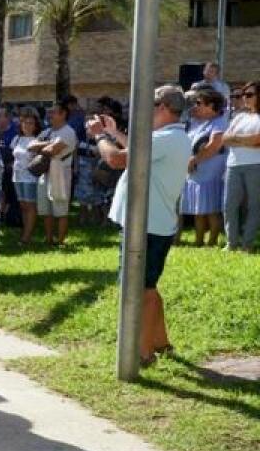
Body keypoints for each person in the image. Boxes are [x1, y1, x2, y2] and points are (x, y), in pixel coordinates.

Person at [90, 85, 191, 366]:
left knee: (140, 290)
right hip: (154, 224)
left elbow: (116, 159)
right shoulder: (171, 137)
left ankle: (143, 353)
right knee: (149, 287)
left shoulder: (166, 139)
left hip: (147, 227)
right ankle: (160, 343)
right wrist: (113, 133)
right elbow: (136, 149)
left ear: (161, 107)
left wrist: (100, 136)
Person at [181, 89, 229, 247]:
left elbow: (215, 145)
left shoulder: (220, 121)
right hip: (197, 170)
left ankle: (212, 241)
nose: (196, 106)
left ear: (211, 105)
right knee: (199, 208)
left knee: (211, 208)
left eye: (199, 103)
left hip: (211, 169)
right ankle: (199, 240)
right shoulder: (199, 121)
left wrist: (195, 160)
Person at [28, 103, 77, 246]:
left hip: (60, 173)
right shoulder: (48, 131)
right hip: (45, 173)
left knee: (60, 208)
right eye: (49, 112)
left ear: (63, 114)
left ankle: (60, 241)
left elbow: (53, 151)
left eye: (54, 112)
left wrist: (43, 146)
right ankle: (49, 239)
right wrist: (49, 143)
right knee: (46, 208)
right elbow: (30, 146)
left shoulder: (68, 132)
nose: (50, 115)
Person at [222, 81, 260, 252]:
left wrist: (236, 139)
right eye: (243, 95)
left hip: (256, 165)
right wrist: (247, 140)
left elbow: (257, 139)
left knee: (254, 205)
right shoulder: (239, 117)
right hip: (233, 165)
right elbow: (225, 139)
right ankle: (231, 243)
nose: (245, 98)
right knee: (229, 205)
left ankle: (247, 244)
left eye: (249, 94)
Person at [10, 107, 42, 243]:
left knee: (30, 206)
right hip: (17, 176)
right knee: (23, 205)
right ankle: (26, 232)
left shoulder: (37, 140)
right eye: (25, 123)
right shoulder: (17, 139)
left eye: (31, 123)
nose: (27, 125)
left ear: (35, 126)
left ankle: (26, 237)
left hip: (30, 177)